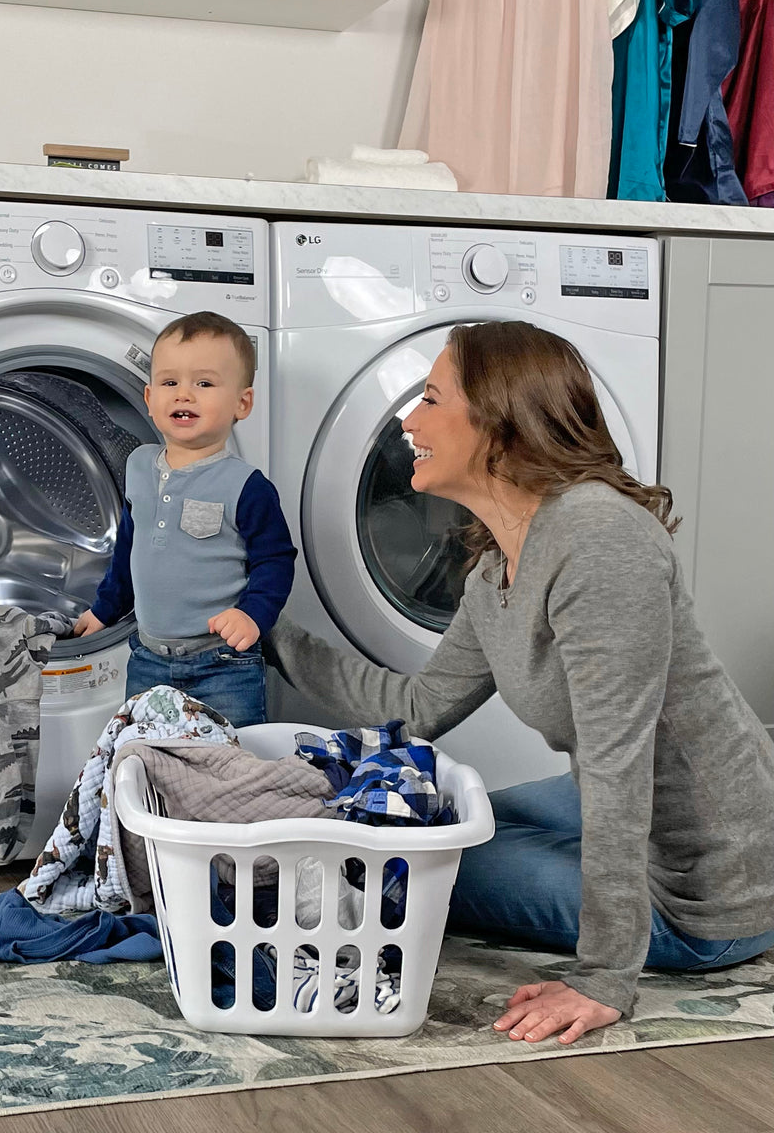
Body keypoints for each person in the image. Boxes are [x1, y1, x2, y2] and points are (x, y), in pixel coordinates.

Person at [266, 320, 774, 1046]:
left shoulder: (598, 540)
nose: (410, 420)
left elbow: (615, 769)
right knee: (434, 829)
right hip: (650, 814)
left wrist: (603, 977)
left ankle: (648, 940)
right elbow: (413, 710)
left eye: (432, 400)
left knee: (404, 864)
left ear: (499, 421)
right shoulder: (496, 567)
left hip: (709, 891)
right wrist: (267, 633)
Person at [73, 311, 296, 728]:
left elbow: (276, 561)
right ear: (149, 397)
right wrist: (104, 611)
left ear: (241, 403)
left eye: (204, 384)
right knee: (147, 767)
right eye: (170, 383)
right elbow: (129, 550)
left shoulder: (246, 486)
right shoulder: (138, 466)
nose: (184, 395)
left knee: (230, 770)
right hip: (147, 660)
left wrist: (253, 615)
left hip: (222, 663)